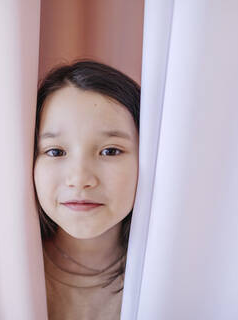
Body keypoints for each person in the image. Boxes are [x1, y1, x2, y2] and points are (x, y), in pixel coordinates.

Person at [32, 60, 141, 320]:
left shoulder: (178, 277)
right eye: (56, 151)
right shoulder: (4, 277)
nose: (80, 179)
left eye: (110, 151)